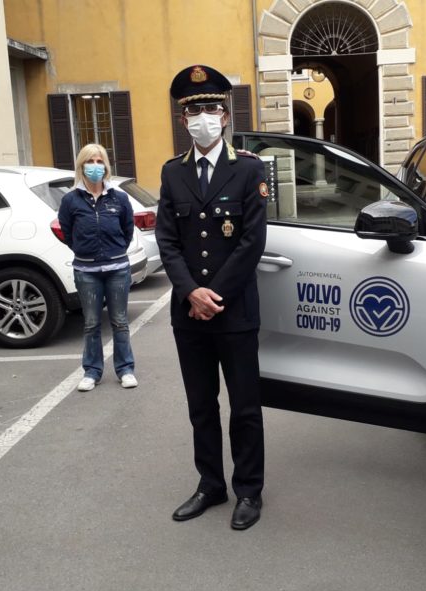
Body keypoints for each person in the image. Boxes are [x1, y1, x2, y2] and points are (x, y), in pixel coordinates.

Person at [155, 65, 269, 530]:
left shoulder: (248, 169)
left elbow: (252, 242)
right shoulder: (171, 173)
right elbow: (167, 240)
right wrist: (190, 293)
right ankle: (210, 485)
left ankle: (249, 491)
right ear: (184, 120)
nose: (203, 116)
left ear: (224, 116)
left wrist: (212, 294)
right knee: (201, 406)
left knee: (244, 406)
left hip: (234, 311)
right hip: (189, 316)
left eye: (211, 108)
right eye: (194, 110)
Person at [57, 144, 138, 392]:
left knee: (120, 321)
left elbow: (127, 229)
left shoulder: (119, 197)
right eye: (90, 161)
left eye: (99, 160)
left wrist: (115, 250)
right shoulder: (70, 200)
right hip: (87, 271)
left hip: (117, 268)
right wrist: (86, 251)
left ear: (106, 165)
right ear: (81, 166)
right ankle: (92, 372)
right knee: (91, 323)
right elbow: (67, 232)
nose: (95, 166)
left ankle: (125, 369)